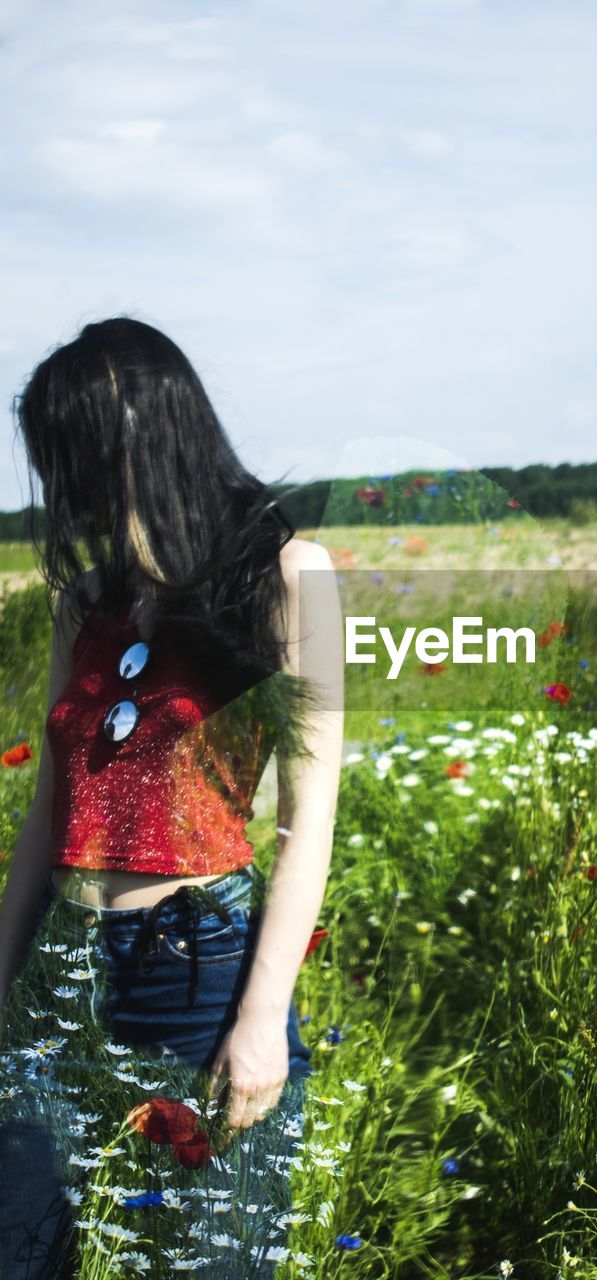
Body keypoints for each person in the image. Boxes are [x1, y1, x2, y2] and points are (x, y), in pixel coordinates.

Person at [0, 317, 345, 1278]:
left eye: (70, 457)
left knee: (205, 1258)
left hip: (194, 971)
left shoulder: (283, 576)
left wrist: (262, 1019)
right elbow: (48, 808)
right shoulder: (88, 599)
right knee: (21, 1246)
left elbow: (305, 822)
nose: (61, 488)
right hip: (58, 966)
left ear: (135, 441)